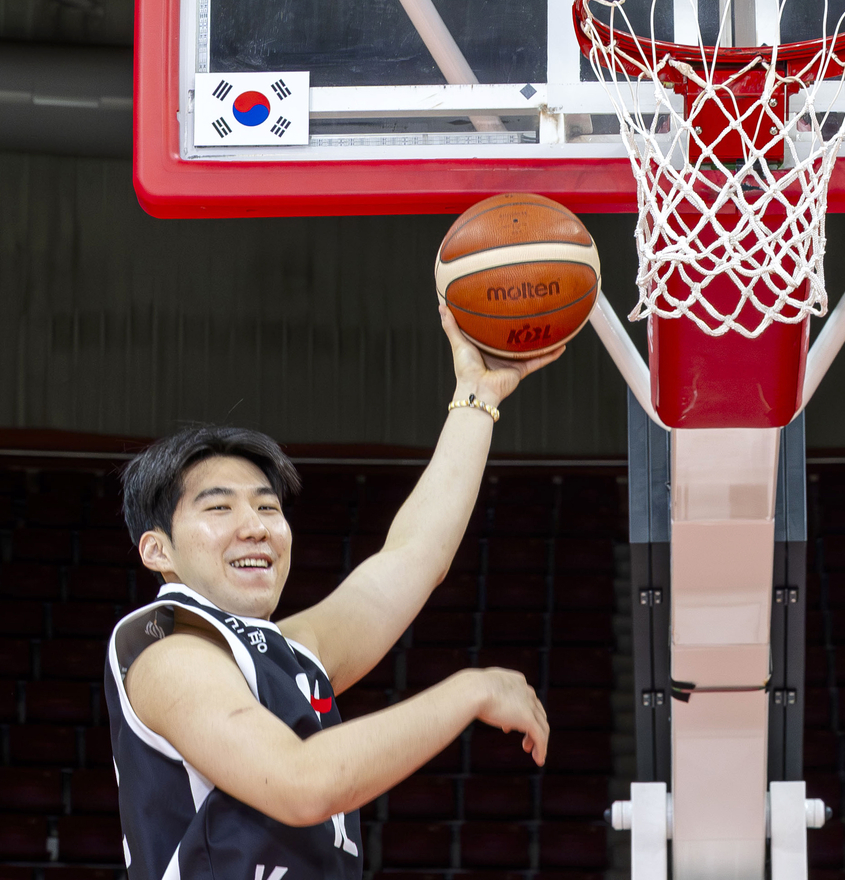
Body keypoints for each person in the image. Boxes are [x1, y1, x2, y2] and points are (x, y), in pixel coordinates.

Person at [106, 303, 558, 880]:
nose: (257, 525)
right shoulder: (164, 651)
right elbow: (302, 783)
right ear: (157, 551)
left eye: (267, 506)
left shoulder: (287, 653)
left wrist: (477, 397)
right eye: (219, 507)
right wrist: (470, 691)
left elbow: (414, 557)